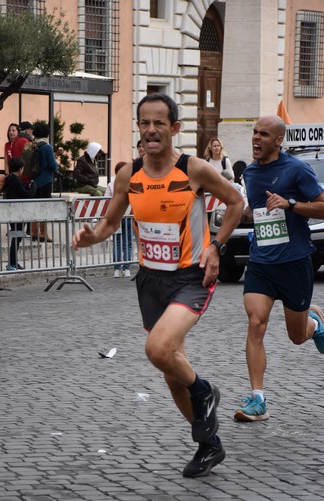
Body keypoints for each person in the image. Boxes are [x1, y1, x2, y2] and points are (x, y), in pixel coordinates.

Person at [72, 93, 244, 478]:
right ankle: (209, 445)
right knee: (170, 370)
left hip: (190, 277)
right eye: (144, 123)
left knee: (158, 348)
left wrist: (215, 247)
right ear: (139, 128)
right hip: (150, 279)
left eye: (159, 123)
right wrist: (91, 237)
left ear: (174, 128)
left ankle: (205, 391)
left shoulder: (193, 169)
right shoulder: (127, 175)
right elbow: (111, 223)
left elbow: (235, 202)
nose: (151, 130)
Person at [234, 115, 324, 423]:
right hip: (261, 262)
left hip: (295, 262)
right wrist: (235, 212)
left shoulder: (297, 169)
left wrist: (291, 205)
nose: (256, 138)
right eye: (254, 133)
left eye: (263, 134)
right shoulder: (250, 172)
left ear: (278, 140)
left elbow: (322, 205)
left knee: (296, 336)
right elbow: (256, 209)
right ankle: (257, 399)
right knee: (256, 323)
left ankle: (314, 323)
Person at [1, 157, 36, 271]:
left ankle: (13, 262)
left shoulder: (10, 179)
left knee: (17, 236)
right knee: (17, 237)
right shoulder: (15, 180)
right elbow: (26, 194)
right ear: (21, 168)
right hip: (17, 212)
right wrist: (33, 187)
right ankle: (12, 263)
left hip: (14, 211)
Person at [30, 123, 59, 242]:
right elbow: (52, 165)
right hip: (45, 180)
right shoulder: (46, 147)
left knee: (35, 207)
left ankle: (33, 231)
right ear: (46, 134)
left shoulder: (32, 145)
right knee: (44, 207)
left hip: (34, 180)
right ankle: (43, 233)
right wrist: (57, 165)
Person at [105, 161, 133, 278]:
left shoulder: (111, 185)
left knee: (117, 242)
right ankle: (126, 269)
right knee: (128, 243)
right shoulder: (131, 185)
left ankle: (116, 269)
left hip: (116, 217)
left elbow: (105, 201)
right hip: (127, 217)